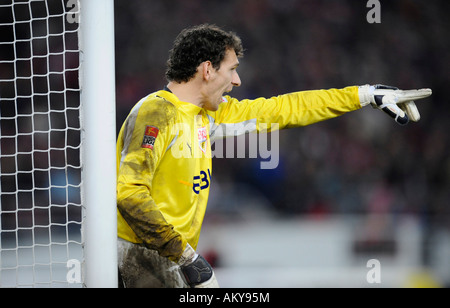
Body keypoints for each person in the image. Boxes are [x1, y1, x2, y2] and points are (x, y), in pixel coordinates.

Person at [116, 24, 431, 288]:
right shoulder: (157, 113)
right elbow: (130, 195)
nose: (237, 81)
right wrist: (185, 255)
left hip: (170, 258)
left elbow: (286, 108)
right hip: (139, 257)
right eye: (233, 70)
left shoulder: (209, 116)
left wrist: (363, 95)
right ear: (208, 70)